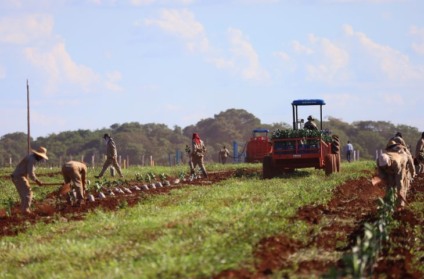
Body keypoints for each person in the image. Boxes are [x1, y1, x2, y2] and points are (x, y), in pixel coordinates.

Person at [10, 147, 48, 216]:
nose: (41, 159)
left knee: (24, 196)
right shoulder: (32, 160)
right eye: (41, 157)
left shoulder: (30, 156)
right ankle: (25, 211)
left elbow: (27, 171)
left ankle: (23, 212)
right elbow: (31, 173)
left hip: (18, 176)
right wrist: (37, 181)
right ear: (38, 155)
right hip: (19, 177)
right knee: (28, 194)